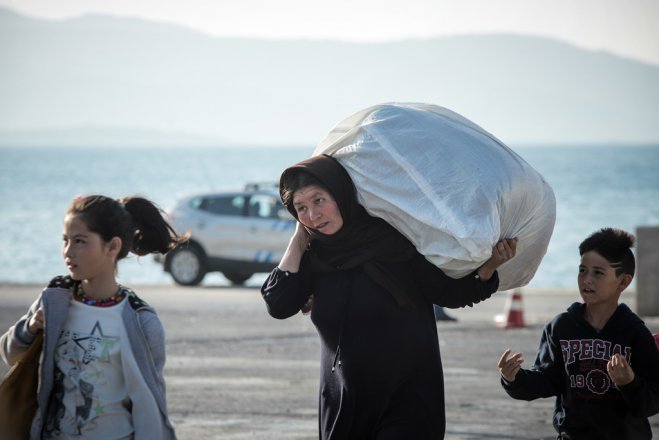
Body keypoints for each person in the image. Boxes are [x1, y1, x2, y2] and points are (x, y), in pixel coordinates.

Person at [261, 155, 517, 439]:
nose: (312, 215)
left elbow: (450, 293)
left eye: (319, 200)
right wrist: (299, 237)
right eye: (301, 208)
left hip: (407, 402)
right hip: (343, 405)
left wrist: (489, 267)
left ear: (342, 193)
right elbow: (278, 304)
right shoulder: (314, 259)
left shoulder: (393, 243)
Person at [0, 195, 187, 439]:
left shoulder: (141, 321)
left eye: (80, 241)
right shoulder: (54, 300)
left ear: (112, 247)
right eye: (65, 240)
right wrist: (31, 327)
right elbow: (9, 354)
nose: (68, 252)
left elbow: (151, 403)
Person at [498, 227, 659, 440]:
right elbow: (547, 380)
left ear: (624, 281)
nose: (587, 279)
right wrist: (514, 379)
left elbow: (650, 403)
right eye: (582, 270)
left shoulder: (636, 333)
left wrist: (629, 383)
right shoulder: (561, 326)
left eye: (598, 273)